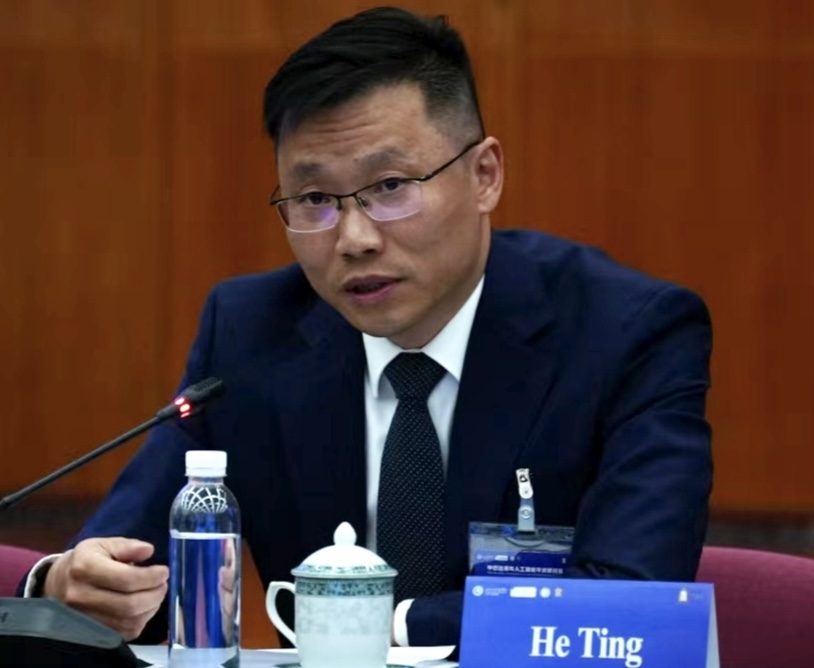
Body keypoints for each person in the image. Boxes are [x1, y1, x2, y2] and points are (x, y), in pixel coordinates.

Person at [20, 5, 713, 648]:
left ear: (484, 176)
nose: (353, 239)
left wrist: (382, 621)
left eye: (389, 188)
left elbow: (633, 602)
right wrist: (66, 585)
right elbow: (131, 572)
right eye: (315, 198)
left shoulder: (626, 335)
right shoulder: (251, 334)